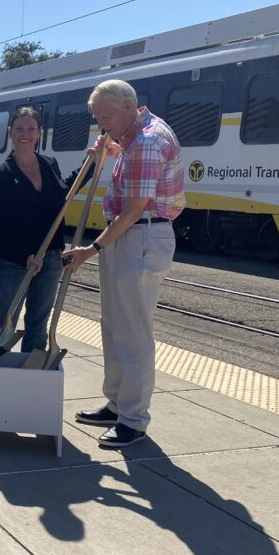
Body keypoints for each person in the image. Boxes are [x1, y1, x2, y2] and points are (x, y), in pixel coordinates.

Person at [64, 79, 185, 449]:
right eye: (97, 117)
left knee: (132, 332)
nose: (101, 124)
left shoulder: (147, 141)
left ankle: (133, 419)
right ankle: (117, 404)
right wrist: (114, 150)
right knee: (114, 324)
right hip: (132, 238)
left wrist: (91, 250)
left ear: (129, 105)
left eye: (105, 115)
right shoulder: (136, 136)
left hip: (140, 238)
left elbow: (134, 210)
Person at [0, 106, 91, 353]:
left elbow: (64, 194)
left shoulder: (48, 164)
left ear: (39, 133)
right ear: (10, 132)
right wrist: (25, 256)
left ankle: (31, 377)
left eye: (31, 128)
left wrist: (92, 164)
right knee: (5, 323)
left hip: (50, 257)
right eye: (19, 128)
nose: (26, 134)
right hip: (13, 263)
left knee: (38, 324)